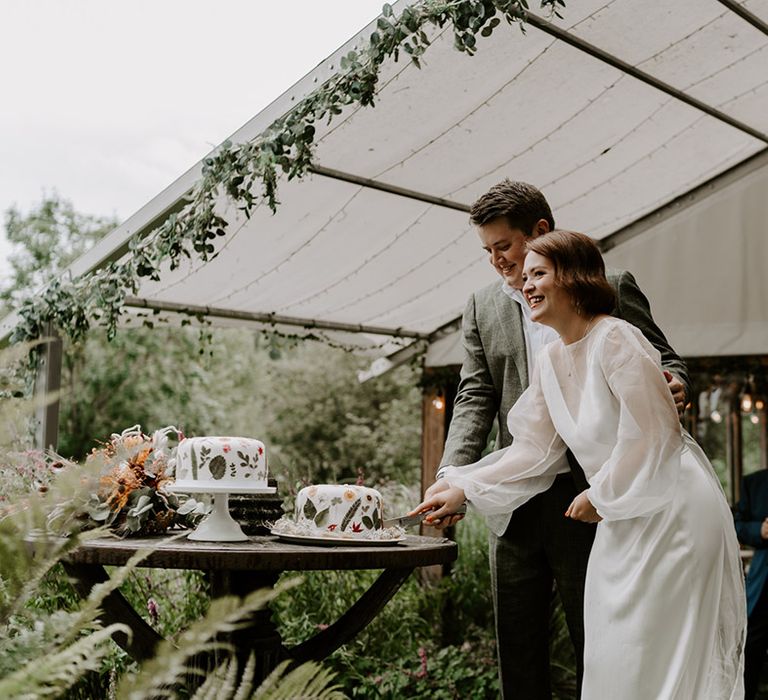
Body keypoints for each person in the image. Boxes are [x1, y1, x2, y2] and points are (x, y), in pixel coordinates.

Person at [415, 230, 746, 699]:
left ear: (570, 279)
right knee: (615, 652)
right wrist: (463, 486)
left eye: (538, 274)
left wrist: (600, 493)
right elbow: (534, 449)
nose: (525, 285)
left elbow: (656, 434)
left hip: (671, 509)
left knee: (659, 653)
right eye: (524, 276)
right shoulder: (551, 359)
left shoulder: (617, 338)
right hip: (619, 511)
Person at [734, 470, 768, 699]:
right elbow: (734, 523)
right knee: (751, 654)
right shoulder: (754, 483)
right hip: (764, 586)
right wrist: (761, 530)